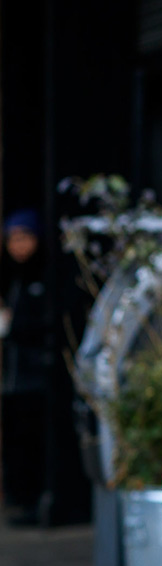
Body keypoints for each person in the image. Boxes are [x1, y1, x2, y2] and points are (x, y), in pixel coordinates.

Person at [1, 210, 49, 524]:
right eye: (13, 239)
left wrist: (13, 326)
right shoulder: (9, 276)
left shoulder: (44, 276)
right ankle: (20, 501)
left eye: (25, 237)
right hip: (13, 376)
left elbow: (45, 324)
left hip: (37, 376)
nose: (19, 245)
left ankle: (35, 503)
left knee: (35, 442)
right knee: (16, 441)